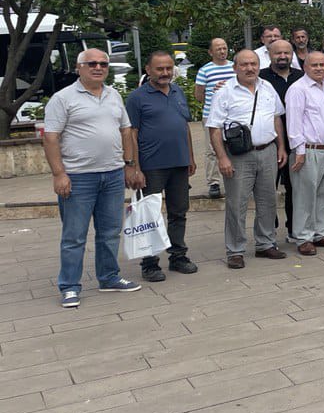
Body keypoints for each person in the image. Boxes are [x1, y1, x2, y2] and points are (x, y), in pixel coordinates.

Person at [43, 48, 144, 307]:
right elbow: (51, 137)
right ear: (79, 68)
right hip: (78, 178)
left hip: (111, 174)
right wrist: (59, 174)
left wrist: (129, 165)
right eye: (92, 64)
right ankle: (69, 286)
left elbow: (125, 130)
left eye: (103, 64)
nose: (98, 67)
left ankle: (109, 277)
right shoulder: (62, 98)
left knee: (110, 231)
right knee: (74, 235)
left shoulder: (113, 95)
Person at [205, 49, 287, 268]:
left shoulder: (267, 87)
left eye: (254, 64)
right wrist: (222, 158)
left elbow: (276, 118)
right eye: (244, 64)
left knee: (268, 200)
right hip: (238, 156)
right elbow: (214, 128)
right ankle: (235, 250)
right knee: (237, 204)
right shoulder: (225, 92)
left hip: (268, 151)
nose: (250, 68)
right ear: (235, 68)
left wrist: (281, 147)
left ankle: (265, 243)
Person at [126, 51, 197, 283]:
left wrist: (191, 157)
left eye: (169, 68)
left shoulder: (177, 92)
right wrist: (134, 167)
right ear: (148, 70)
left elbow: (184, 126)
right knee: (150, 215)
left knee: (179, 212)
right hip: (151, 166)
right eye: (160, 69)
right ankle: (149, 263)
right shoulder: (137, 98)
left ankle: (178, 256)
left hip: (178, 163)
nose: (165, 73)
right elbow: (131, 134)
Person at [283, 51, 324, 255]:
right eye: (314, 65)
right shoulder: (298, 89)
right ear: (305, 67)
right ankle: (303, 237)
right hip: (308, 151)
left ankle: (320, 232)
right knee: (305, 195)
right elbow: (293, 122)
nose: (318, 68)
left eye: (321, 65)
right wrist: (298, 150)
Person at [261, 39, 302, 241]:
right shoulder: (261, 79)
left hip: (298, 144)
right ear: (269, 54)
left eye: (287, 52)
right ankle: (269, 233)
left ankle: (294, 229)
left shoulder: (302, 77)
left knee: (295, 190)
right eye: (278, 53)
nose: (283, 56)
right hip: (271, 144)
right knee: (268, 191)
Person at [194, 37, 235, 199]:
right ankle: (214, 183)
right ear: (211, 52)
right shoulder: (205, 70)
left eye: (224, 48)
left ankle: (235, 179)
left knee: (235, 147)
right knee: (212, 150)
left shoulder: (234, 67)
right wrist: (215, 96)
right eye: (218, 48)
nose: (222, 51)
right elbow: (198, 95)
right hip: (211, 116)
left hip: (232, 116)